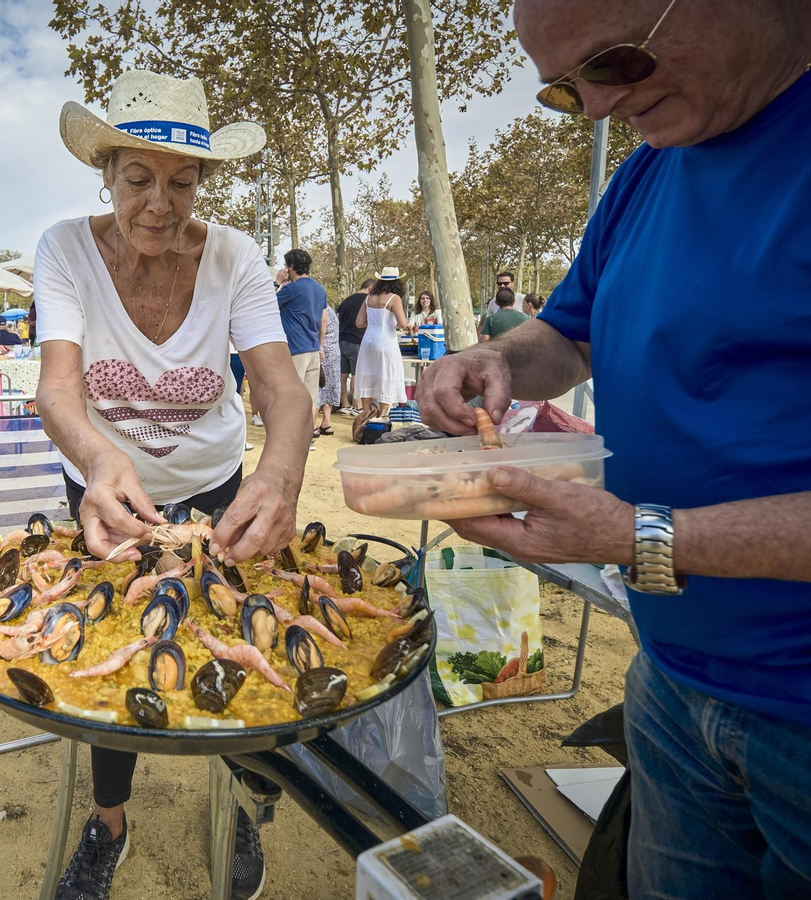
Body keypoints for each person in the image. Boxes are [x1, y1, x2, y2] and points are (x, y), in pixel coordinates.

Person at [420, 4, 811, 897]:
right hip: (672, 683)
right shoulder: (648, 173)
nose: (597, 107)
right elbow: (569, 335)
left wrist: (641, 538)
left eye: (615, 61)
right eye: (566, 90)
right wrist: (496, 358)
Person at [39, 68, 313, 900]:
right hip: (105, 490)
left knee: (241, 638)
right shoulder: (64, 248)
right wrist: (98, 460)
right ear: (107, 173)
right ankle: (110, 820)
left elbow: (279, 387)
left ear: (205, 182)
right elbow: (57, 388)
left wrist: (282, 473)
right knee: (117, 651)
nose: (160, 203)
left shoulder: (235, 256)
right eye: (137, 179)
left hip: (216, 486)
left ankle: (236, 808)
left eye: (183, 183)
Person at [273, 249, 326, 449]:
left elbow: (264, 305)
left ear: (291, 267)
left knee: (289, 396)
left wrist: (277, 282)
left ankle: (289, 438)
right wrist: (320, 345)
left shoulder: (291, 289)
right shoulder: (319, 289)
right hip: (313, 348)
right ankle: (307, 436)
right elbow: (323, 320)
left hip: (295, 348)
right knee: (309, 398)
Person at [352, 268, 411, 426]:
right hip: (386, 341)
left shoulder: (369, 297)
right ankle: (383, 419)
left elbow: (359, 323)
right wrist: (410, 326)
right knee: (386, 376)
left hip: (368, 341)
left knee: (367, 376)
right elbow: (403, 323)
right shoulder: (394, 298)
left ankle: (366, 416)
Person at [335, 278, 372, 416]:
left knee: (343, 375)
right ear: (370, 289)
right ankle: (357, 406)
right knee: (357, 374)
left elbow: (337, 318)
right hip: (356, 340)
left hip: (341, 339)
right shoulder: (367, 301)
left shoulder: (346, 301)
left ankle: (344, 404)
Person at [316, 304, 340, 438]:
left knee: (317, 385)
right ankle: (326, 423)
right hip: (334, 349)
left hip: (323, 349)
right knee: (329, 385)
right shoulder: (330, 309)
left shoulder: (318, 308)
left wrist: (319, 345)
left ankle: (313, 425)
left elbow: (322, 323)